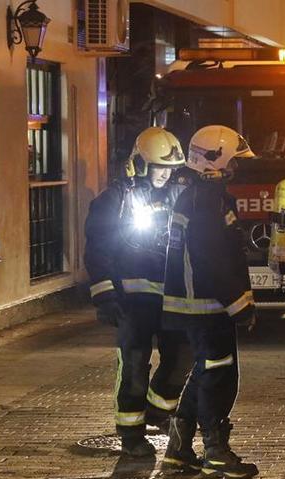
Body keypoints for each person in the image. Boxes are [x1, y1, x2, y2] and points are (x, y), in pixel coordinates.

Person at [84, 127, 192, 457]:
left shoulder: (178, 196)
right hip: (132, 300)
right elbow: (97, 249)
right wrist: (104, 296)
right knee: (133, 365)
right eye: (159, 167)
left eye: (171, 169)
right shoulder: (115, 199)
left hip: (171, 297)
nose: (165, 174)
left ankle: (158, 409)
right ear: (140, 164)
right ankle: (131, 434)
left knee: (182, 358)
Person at [161, 125, 259, 478]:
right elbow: (211, 260)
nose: (238, 168)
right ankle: (215, 452)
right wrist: (238, 303)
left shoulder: (199, 196)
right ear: (215, 161)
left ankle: (179, 448)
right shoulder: (207, 201)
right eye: (234, 161)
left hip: (201, 305)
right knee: (219, 377)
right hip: (208, 306)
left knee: (206, 371)